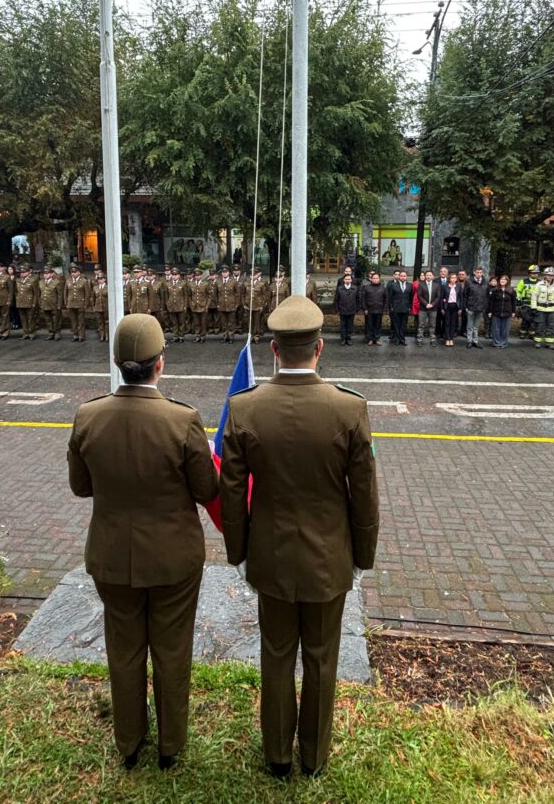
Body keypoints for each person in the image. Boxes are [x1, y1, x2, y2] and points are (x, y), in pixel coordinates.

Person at [218, 296, 378, 779]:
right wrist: (361, 558)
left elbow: (231, 492)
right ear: (320, 348)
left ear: (273, 350)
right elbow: (364, 496)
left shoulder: (245, 409)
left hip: (269, 557)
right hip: (329, 558)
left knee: (276, 656)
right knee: (323, 660)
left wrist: (238, 554)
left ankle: (277, 757)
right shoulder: (349, 409)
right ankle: (313, 757)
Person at [68, 314, 218, 771]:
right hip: (174, 558)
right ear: (160, 365)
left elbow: (80, 487)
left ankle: (129, 744)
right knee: (172, 650)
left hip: (111, 555)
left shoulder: (88, 415)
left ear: (117, 363)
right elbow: (207, 490)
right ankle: (171, 746)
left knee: (124, 649)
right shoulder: (182, 419)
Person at [532, 268, 554, 349]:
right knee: (540, 325)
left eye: (551, 275)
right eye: (548, 275)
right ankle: (538, 342)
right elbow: (534, 297)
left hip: (552, 309)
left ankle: (549, 343)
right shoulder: (539, 285)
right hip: (540, 309)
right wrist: (533, 308)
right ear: (545, 275)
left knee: (551, 326)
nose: (550, 276)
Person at [463, 267, 489, 348]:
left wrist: (485, 306)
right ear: (474, 272)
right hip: (471, 307)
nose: (479, 274)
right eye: (477, 272)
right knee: (470, 326)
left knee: (476, 326)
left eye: (480, 272)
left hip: (480, 307)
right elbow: (465, 295)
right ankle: (469, 341)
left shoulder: (485, 282)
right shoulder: (468, 281)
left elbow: (487, 295)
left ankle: (475, 341)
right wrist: (466, 306)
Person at [333, 270, 360, 345]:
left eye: (349, 279)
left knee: (350, 325)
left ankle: (349, 338)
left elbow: (358, 299)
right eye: (346, 279)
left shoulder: (355, 288)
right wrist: (337, 309)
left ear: (351, 280)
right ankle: (343, 339)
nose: (347, 280)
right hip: (342, 309)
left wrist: (357, 308)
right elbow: (336, 299)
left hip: (352, 309)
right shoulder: (339, 288)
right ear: (344, 280)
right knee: (343, 325)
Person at [386, 270, 412, 345]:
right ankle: (397, 339)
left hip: (405, 308)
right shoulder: (393, 285)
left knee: (404, 324)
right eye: (401, 276)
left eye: (404, 276)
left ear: (406, 277)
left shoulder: (410, 285)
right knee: (396, 324)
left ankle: (402, 339)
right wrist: (391, 306)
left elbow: (411, 297)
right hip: (396, 308)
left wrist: (410, 306)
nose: (403, 277)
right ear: (399, 277)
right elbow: (390, 297)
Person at [414, 270, 439, 344]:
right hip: (423, 308)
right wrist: (426, 304)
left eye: (430, 275)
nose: (428, 276)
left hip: (433, 308)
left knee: (432, 325)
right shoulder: (421, 285)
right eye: (427, 275)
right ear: (425, 276)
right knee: (421, 325)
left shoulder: (436, 285)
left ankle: (432, 340)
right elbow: (419, 296)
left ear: (433, 276)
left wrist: (432, 304)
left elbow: (438, 296)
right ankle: (419, 339)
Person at [488, 274, 513, 347]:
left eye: (505, 279)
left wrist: (513, 312)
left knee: (505, 329)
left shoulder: (511, 290)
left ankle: (504, 343)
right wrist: (490, 311)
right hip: (496, 312)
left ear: (507, 281)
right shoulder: (495, 290)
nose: (503, 281)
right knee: (496, 329)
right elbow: (491, 301)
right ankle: (496, 343)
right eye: (501, 279)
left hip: (507, 313)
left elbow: (513, 302)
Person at [515, 266, 540, 341]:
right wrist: (519, 299)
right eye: (533, 273)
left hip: (535, 304)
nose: (535, 274)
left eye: (536, 273)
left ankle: (532, 333)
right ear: (529, 273)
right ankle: (523, 333)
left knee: (534, 320)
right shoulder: (523, 281)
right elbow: (518, 290)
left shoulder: (540, 282)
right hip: (525, 303)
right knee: (525, 319)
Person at [441, 277, 463, 347]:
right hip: (447, 306)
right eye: (452, 278)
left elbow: (461, 298)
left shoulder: (458, 286)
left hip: (455, 306)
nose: (453, 279)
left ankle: (451, 339)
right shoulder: (445, 286)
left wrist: (461, 308)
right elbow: (442, 297)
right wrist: (442, 308)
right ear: (449, 279)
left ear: (456, 279)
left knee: (453, 323)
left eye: (455, 278)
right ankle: (447, 339)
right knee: (447, 323)